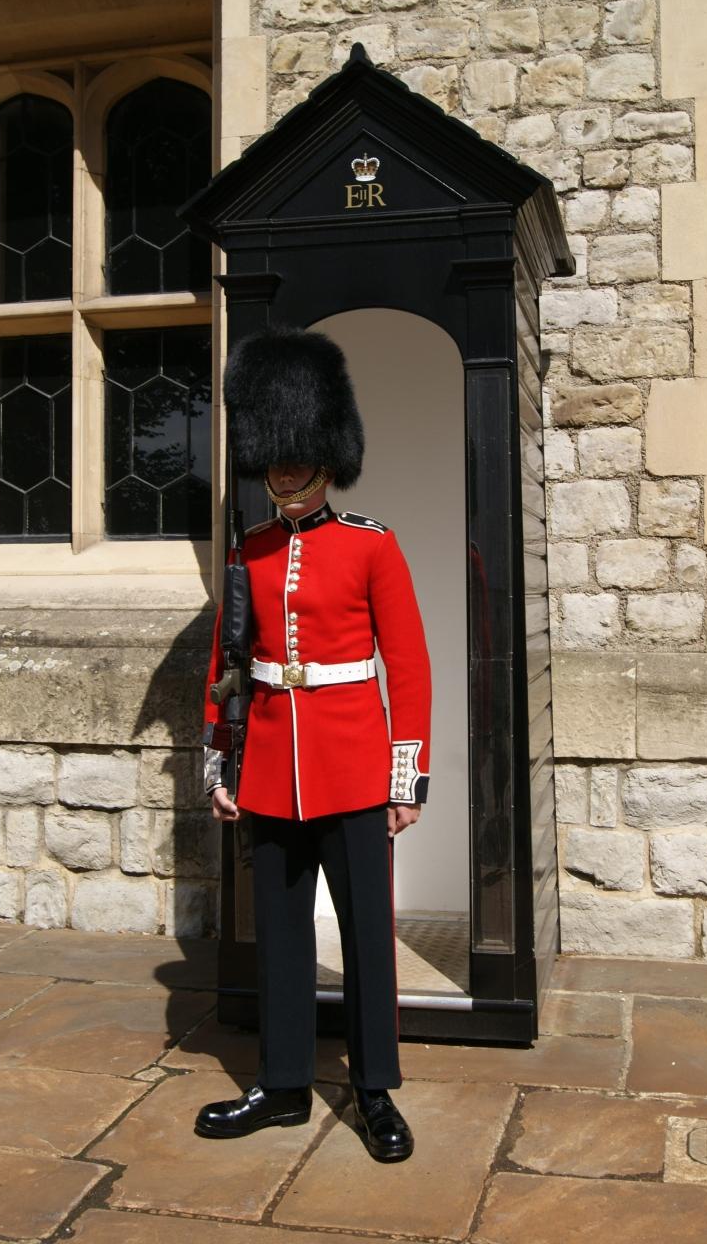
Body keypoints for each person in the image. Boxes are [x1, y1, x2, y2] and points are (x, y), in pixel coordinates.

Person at [195, 326, 431, 1163]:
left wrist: (405, 778)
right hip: (269, 767)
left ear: (325, 458)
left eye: (297, 459)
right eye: (276, 460)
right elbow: (226, 665)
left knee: (366, 937)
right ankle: (285, 1083)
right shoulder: (251, 551)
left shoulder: (371, 544)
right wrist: (219, 763)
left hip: (354, 767)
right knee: (282, 936)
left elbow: (408, 667)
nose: (285, 473)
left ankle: (374, 1090)